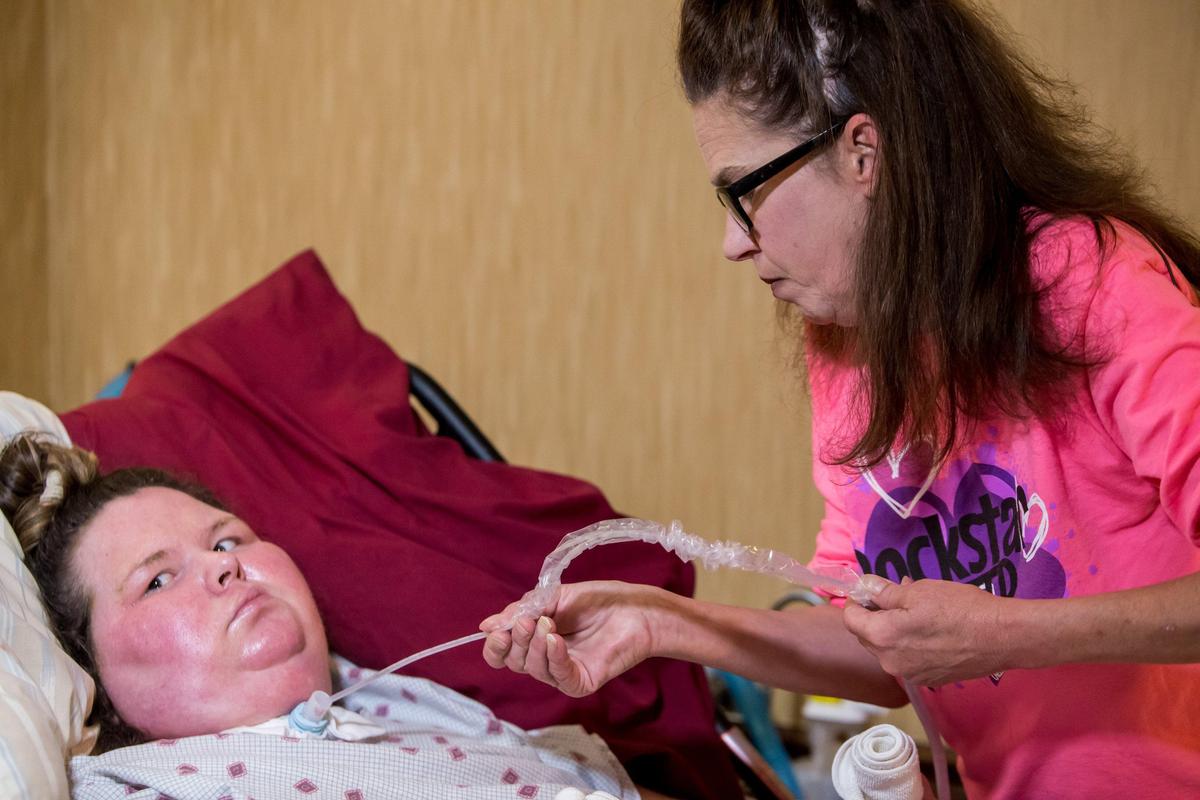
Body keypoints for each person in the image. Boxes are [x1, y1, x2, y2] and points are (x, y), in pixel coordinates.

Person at [481, 1, 1200, 797]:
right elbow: (874, 649)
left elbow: (969, 640)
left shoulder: (1094, 285)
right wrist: (659, 623)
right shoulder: (849, 347)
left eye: (742, 191)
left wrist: (1006, 635)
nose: (734, 241)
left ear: (863, 152)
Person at [0, 433, 658, 800]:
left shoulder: (417, 713)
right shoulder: (135, 791)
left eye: (228, 541)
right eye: (159, 579)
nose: (226, 567)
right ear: (98, 688)